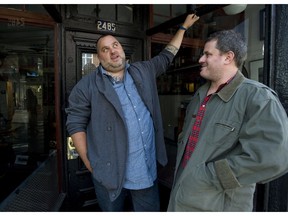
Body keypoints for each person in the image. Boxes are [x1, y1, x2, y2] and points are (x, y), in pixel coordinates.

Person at [66, 14, 199, 212]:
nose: (112, 51)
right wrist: (90, 163)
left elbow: (167, 56)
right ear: (99, 58)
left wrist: (183, 28)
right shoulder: (86, 86)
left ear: (122, 49)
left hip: (144, 172)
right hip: (109, 174)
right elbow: (75, 122)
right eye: (105, 49)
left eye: (115, 45)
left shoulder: (142, 70)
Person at [167, 30, 288, 211]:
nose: (201, 59)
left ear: (228, 57)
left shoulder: (257, 97)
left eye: (208, 54)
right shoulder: (199, 95)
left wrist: (210, 176)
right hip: (182, 198)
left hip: (220, 205)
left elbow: (274, 157)